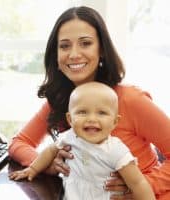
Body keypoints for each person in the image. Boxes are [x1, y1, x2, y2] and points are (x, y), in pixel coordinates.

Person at [8, 6, 170, 200]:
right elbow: (19, 143)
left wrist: (139, 186)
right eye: (65, 46)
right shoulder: (60, 101)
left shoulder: (131, 100)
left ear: (101, 49)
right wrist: (47, 164)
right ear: (56, 55)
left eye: (85, 43)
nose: (74, 54)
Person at [9, 82, 156, 200]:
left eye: (102, 113)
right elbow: (50, 150)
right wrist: (33, 169)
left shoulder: (116, 151)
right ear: (70, 119)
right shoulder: (70, 137)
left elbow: (138, 183)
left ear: (114, 122)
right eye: (82, 112)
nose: (92, 119)